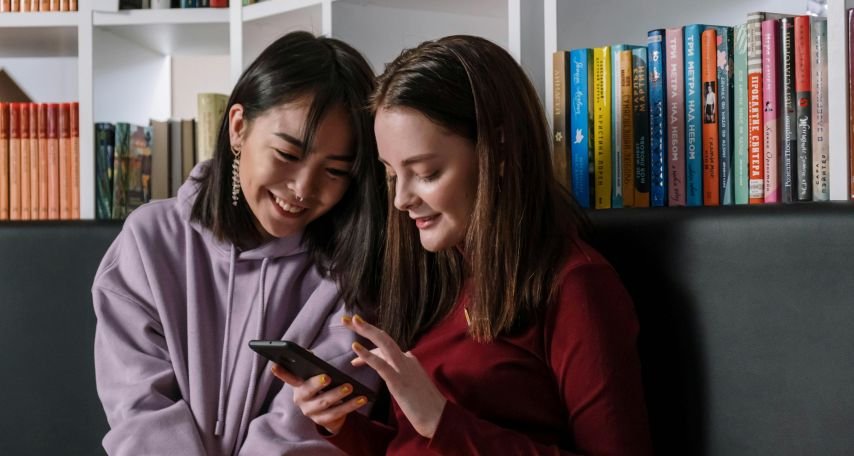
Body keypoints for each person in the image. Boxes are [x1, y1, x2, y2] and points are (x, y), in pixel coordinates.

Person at [275, 35, 654, 455]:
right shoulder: (437, 274)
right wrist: (341, 426)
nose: (401, 200)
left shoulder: (576, 287)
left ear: (501, 150)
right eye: (391, 175)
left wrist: (439, 419)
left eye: (427, 172)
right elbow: (414, 445)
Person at [92, 31, 386, 455]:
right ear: (238, 128)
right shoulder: (148, 242)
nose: (303, 188)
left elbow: (303, 432)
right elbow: (138, 412)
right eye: (287, 154)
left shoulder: (352, 269)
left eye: (335, 171)